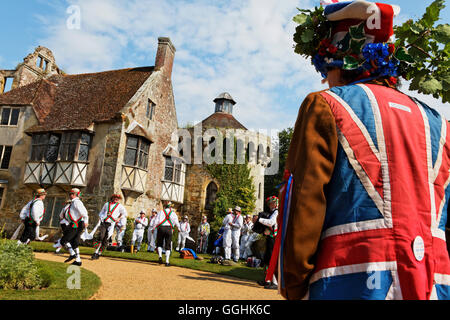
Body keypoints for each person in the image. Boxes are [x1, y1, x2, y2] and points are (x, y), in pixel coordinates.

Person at [276, 0, 450, 300]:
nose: (323, 78)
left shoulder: (325, 105)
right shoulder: (441, 124)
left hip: (348, 282)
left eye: (324, 66)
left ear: (338, 61)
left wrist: (293, 284)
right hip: (434, 284)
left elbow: (304, 200)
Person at [91, 193, 127, 260]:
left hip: (111, 224)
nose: (116, 199)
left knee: (105, 240)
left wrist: (119, 218)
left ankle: (99, 253)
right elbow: (101, 212)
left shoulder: (120, 206)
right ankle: (95, 252)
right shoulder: (106, 204)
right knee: (101, 236)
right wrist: (101, 218)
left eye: (118, 198)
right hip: (104, 223)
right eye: (115, 197)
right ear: (112, 198)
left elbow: (124, 213)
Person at [60, 188, 89, 266]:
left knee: (64, 240)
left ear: (75, 195)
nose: (70, 195)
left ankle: (72, 254)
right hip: (77, 223)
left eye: (71, 194)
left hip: (76, 224)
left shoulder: (77, 202)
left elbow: (84, 213)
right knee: (74, 242)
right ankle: (78, 260)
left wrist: (86, 221)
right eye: (70, 194)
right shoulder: (73, 203)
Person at [256, 196, 279, 290]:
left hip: (274, 239)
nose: (269, 205)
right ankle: (267, 280)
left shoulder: (276, 212)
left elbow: (271, 222)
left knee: (271, 259)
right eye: (269, 203)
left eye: (271, 203)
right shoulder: (273, 212)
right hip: (270, 238)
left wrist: (259, 220)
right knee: (267, 259)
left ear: (275, 203)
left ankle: (275, 282)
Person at [152, 202, 180, 266]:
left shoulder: (161, 212)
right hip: (169, 229)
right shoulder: (173, 213)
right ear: (170, 207)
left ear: (165, 207)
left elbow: (156, 221)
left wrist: (153, 228)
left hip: (161, 228)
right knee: (168, 245)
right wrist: (179, 228)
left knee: (159, 243)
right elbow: (176, 221)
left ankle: (160, 257)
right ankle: (167, 262)